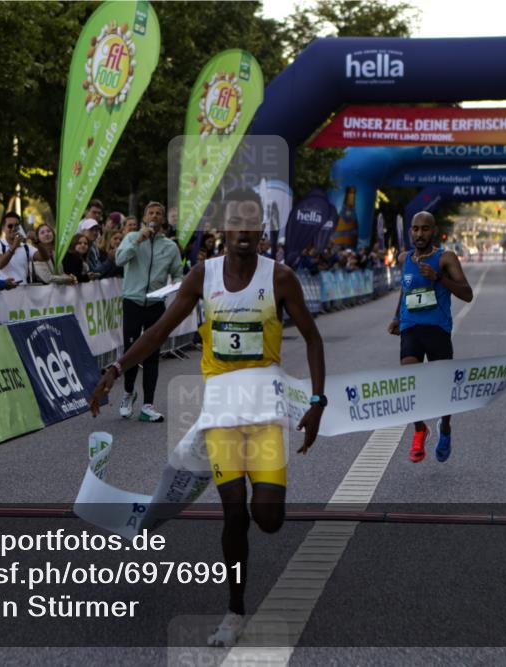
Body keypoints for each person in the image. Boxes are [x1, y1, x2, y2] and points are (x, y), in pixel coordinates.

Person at [89, 188, 326, 648]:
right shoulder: (204, 275)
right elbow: (158, 331)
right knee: (234, 512)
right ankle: (234, 612)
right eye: (236, 223)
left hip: (264, 410)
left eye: (252, 223)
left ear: (262, 229)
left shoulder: (281, 279)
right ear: (222, 228)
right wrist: (116, 370)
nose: (244, 232)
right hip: (220, 413)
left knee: (269, 517)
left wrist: (317, 400)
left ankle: (244, 579)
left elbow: (314, 339)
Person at [388, 211, 473, 464]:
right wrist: (396, 317)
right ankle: (418, 429)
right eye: (415, 229)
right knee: (411, 381)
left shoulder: (445, 258)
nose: (419, 234)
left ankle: (445, 427)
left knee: (442, 389)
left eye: (425, 229)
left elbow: (467, 294)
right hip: (411, 327)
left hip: (437, 330)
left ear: (433, 231)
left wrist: (439, 278)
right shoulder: (405, 258)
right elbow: (406, 288)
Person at [114, 201, 183, 422]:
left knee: (152, 354)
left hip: (155, 304)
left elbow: (179, 275)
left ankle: (148, 404)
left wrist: (174, 288)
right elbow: (119, 259)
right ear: (144, 217)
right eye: (151, 212)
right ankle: (127, 394)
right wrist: (138, 239)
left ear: (163, 220)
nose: (154, 216)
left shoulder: (170, 247)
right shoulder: (131, 238)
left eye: (159, 213)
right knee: (132, 351)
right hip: (133, 302)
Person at [0, 211, 36, 284]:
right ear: (3, 228)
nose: (13, 229)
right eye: (10, 226)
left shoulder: (25, 246)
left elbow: (44, 257)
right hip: (5, 291)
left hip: (24, 290)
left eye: (16, 226)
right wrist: (14, 247)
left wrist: (37, 241)